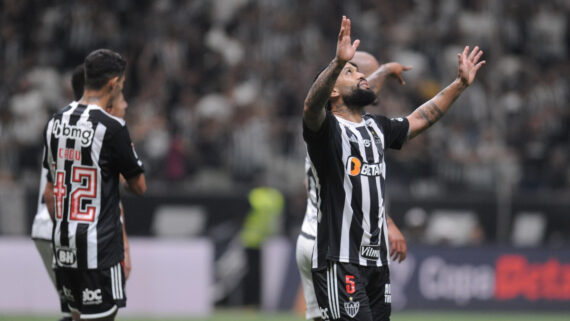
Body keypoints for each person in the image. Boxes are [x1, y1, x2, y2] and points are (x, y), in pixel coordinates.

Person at [302, 16, 485, 320]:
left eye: (358, 70)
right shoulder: (328, 132)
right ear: (333, 92)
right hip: (340, 260)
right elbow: (310, 107)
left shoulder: (376, 127)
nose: (361, 75)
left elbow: (420, 118)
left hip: (376, 263)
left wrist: (459, 85)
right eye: (351, 72)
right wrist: (337, 64)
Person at [296, 51, 410, 321]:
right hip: (329, 242)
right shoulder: (334, 127)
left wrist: (384, 70)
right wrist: (388, 223)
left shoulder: (349, 127)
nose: (364, 80)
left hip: (314, 235)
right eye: (355, 72)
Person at [42, 49, 146, 321]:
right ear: (113, 83)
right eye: (121, 86)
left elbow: (52, 188)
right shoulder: (112, 129)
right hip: (98, 251)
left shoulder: (54, 122)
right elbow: (139, 187)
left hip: (64, 250)